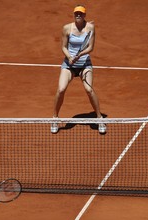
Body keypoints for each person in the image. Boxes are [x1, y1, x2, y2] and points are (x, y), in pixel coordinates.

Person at [51, 5, 106, 134]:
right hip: (69, 65)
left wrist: (80, 55)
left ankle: (100, 118)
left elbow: (90, 48)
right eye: (76, 13)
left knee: (89, 89)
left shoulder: (90, 28)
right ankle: (54, 118)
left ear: (84, 15)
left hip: (84, 65)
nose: (78, 15)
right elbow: (63, 46)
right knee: (61, 89)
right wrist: (69, 57)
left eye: (80, 13)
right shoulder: (67, 28)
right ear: (74, 14)